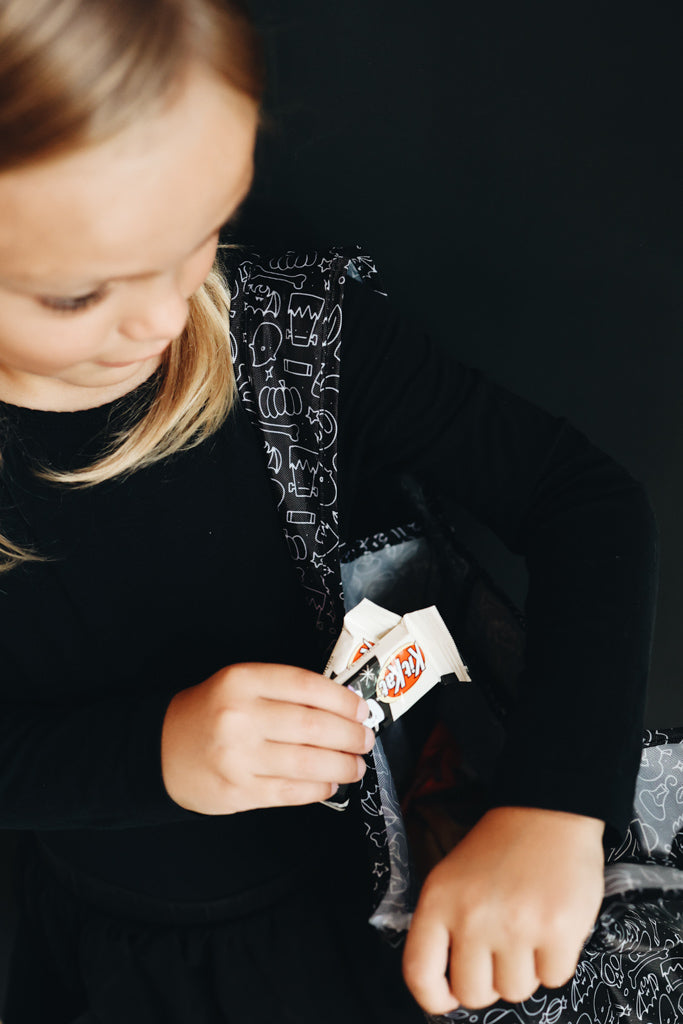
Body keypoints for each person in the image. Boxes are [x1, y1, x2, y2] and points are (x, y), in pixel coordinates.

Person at [0, 1, 657, 1021]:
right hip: (107, 953)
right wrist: (150, 754)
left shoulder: (289, 332)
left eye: (203, 234)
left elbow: (583, 501)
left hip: (386, 913)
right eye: (78, 294)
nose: (168, 316)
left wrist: (556, 802)